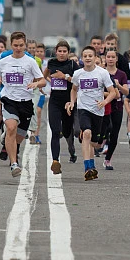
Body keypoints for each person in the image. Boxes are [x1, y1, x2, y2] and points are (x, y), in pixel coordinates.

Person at [0, 32, 45, 177]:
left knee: (19, 137)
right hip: (9, 100)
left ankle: (9, 139)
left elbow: (42, 80)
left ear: (24, 45)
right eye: (15, 45)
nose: (18, 48)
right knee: (12, 127)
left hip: (25, 102)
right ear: (11, 45)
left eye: (21, 45)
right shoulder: (4, 61)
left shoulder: (30, 61)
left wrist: (36, 83)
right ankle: (14, 164)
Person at [66, 46, 117, 180]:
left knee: (95, 144)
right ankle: (88, 167)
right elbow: (74, 89)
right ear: (82, 58)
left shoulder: (102, 73)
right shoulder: (78, 74)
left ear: (95, 58)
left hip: (98, 111)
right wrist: (72, 102)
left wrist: (104, 102)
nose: (88, 58)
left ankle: (92, 164)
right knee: (86, 133)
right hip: (83, 109)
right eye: (85, 56)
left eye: (90, 56)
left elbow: (113, 92)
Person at [44, 40, 79, 174]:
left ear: (68, 53)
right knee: (55, 131)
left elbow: (77, 82)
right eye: (60, 51)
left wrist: (64, 77)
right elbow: (45, 75)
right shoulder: (51, 62)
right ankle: (55, 161)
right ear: (56, 52)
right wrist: (46, 82)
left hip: (68, 103)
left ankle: (71, 148)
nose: (62, 54)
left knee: (66, 131)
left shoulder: (72, 64)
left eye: (65, 51)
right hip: (54, 102)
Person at [102, 48, 129, 171]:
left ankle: (108, 159)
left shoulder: (122, 74)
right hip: (104, 105)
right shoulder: (101, 72)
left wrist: (117, 85)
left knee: (114, 134)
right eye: (109, 57)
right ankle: (101, 141)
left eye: (113, 57)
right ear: (105, 58)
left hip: (117, 106)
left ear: (117, 59)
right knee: (107, 127)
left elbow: (127, 91)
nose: (111, 59)